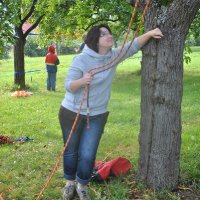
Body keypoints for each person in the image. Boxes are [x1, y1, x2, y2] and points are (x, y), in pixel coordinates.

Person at [59, 24, 163, 200]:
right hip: (72, 112)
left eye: (109, 33)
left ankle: (82, 185)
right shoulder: (81, 60)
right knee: (71, 151)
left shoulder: (113, 56)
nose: (108, 36)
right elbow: (69, 86)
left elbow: (134, 45)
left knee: (88, 152)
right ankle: (69, 183)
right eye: (103, 34)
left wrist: (151, 33)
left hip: (97, 115)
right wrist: (82, 81)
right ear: (95, 40)